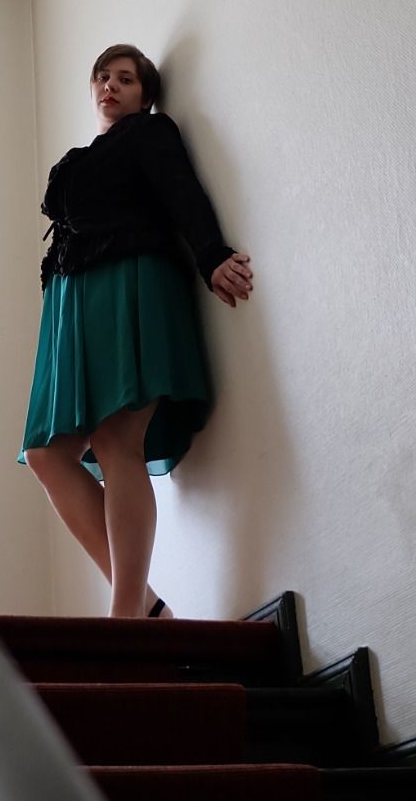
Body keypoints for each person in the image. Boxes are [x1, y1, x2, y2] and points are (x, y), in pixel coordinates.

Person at [19, 44, 254, 619]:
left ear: (145, 95)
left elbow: (181, 191)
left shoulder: (149, 133)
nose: (111, 86)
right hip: (75, 301)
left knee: (116, 440)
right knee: (46, 453)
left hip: (130, 282)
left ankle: (125, 618)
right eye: (103, 77)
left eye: (125, 79)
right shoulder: (76, 161)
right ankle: (146, 609)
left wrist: (212, 255)